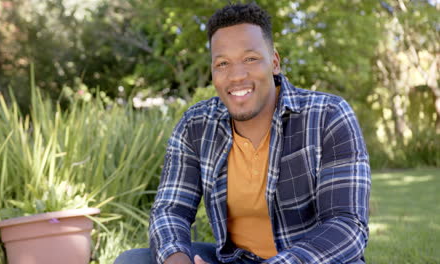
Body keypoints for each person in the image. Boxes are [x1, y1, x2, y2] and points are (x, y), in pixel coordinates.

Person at [115, 3, 370, 264]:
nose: (236, 76)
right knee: (132, 261)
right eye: (223, 63)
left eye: (250, 59)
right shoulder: (196, 125)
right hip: (236, 260)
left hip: (311, 261)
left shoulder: (329, 114)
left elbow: (346, 226)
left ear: (274, 62)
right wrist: (177, 260)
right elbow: (171, 209)